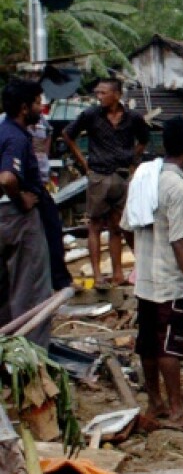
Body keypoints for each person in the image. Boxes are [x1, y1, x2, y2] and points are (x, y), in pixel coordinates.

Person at [133, 116, 183, 430]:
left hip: (145, 277)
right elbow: (179, 240)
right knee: (168, 345)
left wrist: (143, 253)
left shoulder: (143, 177)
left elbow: (128, 225)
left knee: (148, 343)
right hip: (168, 280)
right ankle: (177, 410)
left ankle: (155, 402)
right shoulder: (177, 186)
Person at [62, 77, 150, 288]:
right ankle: (98, 275)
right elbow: (67, 134)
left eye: (103, 93)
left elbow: (144, 139)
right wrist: (84, 164)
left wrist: (133, 161)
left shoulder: (132, 118)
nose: (99, 97)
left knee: (117, 227)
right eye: (98, 93)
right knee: (94, 225)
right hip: (99, 175)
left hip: (121, 176)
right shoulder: (91, 115)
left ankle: (118, 273)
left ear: (117, 95)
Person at [0, 80, 55, 347]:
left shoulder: (1, 131)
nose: (40, 110)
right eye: (36, 103)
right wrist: (21, 199)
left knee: (5, 290)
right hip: (16, 217)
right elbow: (8, 178)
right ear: (24, 108)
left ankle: (6, 352)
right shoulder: (17, 137)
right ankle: (30, 356)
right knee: (31, 288)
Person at [29, 102, 71, 290]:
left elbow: (48, 138)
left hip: (39, 184)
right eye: (36, 102)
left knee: (53, 230)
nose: (40, 106)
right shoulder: (7, 127)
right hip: (24, 188)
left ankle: (58, 279)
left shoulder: (42, 123)